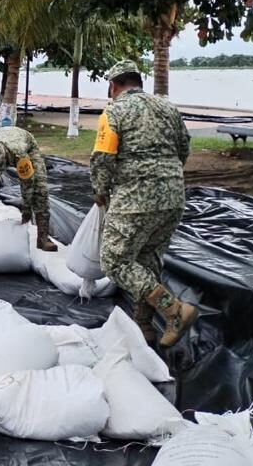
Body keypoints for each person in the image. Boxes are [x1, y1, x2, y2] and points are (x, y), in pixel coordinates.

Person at [91, 60, 196, 348]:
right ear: (138, 82)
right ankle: (144, 327)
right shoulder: (168, 108)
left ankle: (174, 310)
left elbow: (103, 158)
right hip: (174, 197)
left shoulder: (113, 112)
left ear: (113, 86)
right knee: (147, 260)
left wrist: (100, 191)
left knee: (115, 261)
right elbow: (184, 148)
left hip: (136, 198)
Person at [0, 126, 59, 252]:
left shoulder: (20, 154)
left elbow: (27, 182)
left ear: (6, 156)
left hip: (26, 143)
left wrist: (26, 209)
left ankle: (43, 238)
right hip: (0, 141)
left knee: (40, 189)